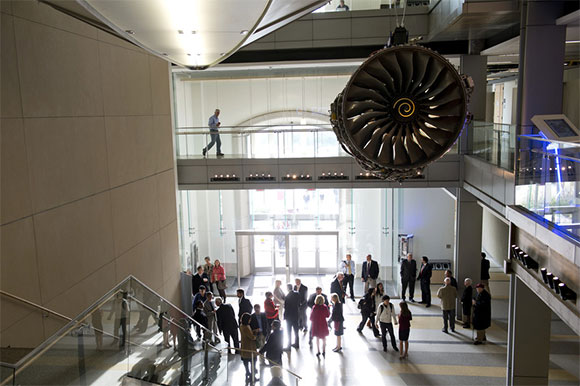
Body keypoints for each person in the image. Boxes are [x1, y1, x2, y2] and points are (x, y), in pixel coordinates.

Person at [240, 313, 258, 382]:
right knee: (253, 362)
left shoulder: (242, 326)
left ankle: (247, 372)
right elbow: (252, 337)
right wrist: (256, 335)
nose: (250, 320)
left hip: (244, 346)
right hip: (250, 347)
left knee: (246, 362)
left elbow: (247, 333)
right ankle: (253, 377)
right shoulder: (246, 327)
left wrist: (252, 331)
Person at [284, 283, 301, 349]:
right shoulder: (297, 294)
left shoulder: (287, 296)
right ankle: (297, 344)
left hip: (289, 317)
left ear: (288, 288)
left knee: (289, 332)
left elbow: (286, 307)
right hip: (296, 315)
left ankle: (288, 346)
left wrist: (285, 316)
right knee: (296, 331)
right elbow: (299, 304)